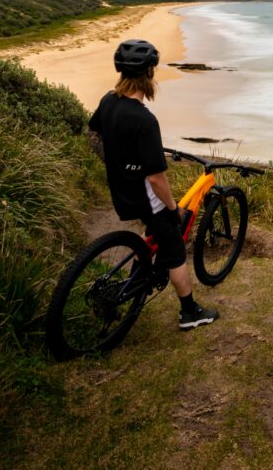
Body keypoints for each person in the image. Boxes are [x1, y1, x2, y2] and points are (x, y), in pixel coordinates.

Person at [89, 39, 219, 330]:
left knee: (152, 233)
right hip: (145, 197)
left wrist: (116, 163)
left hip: (121, 189)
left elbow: (93, 133)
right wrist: (173, 209)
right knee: (174, 248)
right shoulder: (144, 120)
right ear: (148, 73)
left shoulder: (109, 100)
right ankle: (190, 312)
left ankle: (141, 274)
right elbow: (156, 178)